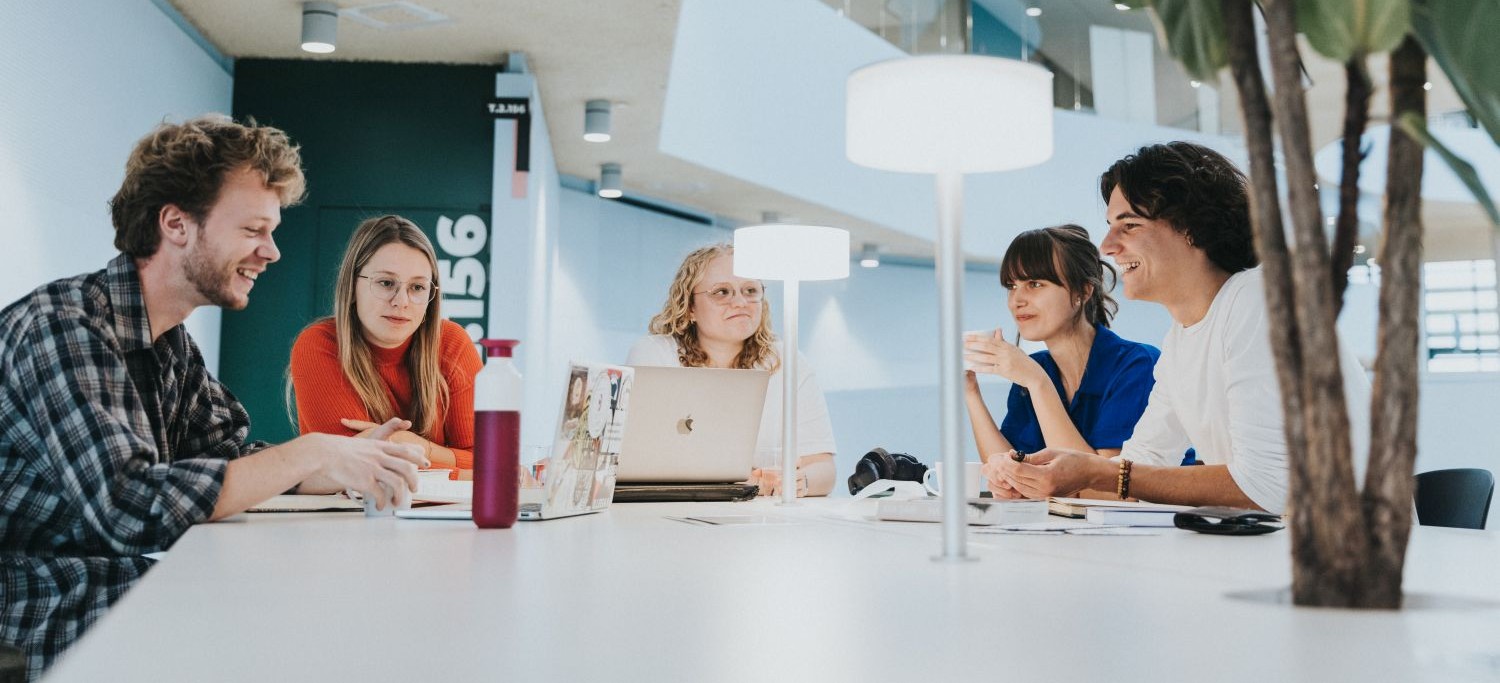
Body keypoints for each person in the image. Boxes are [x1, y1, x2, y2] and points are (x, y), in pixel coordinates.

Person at [0, 116, 427, 672]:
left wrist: (344, 460)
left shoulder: (169, 344)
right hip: (32, 600)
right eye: (253, 231)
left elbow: (231, 459)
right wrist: (314, 451)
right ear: (176, 223)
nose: (271, 252)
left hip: (109, 584)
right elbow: (129, 508)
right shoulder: (62, 327)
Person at [987, 142, 1370, 514]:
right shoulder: (1181, 337)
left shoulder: (1259, 299)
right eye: (1109, 226)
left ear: (1191, 228)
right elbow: (1139, 466)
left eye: (1129, 225)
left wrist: (1101, 473)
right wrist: (1047, 477)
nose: (1107, 246)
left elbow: (1268, 484)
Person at [626, 243, 836, 497]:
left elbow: (824, 470)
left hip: (765, 521)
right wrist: (745, 480)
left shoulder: (786, 360)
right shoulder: (655, 355)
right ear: (690, 307)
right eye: (722, 292)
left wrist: (794, 482)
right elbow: (642, 460)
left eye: (750, 290)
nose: (740, 302)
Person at [965, 225, 1159, 495]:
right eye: (1012, 286)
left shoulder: (1136, 366)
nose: (1017, 300)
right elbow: (1008, 473)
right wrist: (970, 392)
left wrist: (1037, 383)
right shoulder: (1038, 370)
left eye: (1035, 284)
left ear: (1083, 291)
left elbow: (1107, 492)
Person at [289, 215, 482, 477]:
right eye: (386, 283)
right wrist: (452, 462)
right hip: (349, 516)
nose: (401, 301)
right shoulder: (319, 345)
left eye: (417, 287)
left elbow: (489, 463)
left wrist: (415, 446)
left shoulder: (452, 344)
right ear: (352, 284)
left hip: (443, 516)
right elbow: (357, 462)